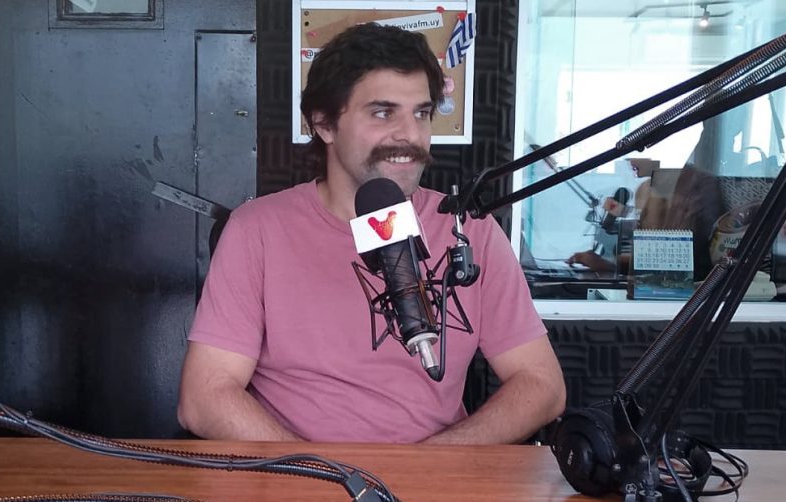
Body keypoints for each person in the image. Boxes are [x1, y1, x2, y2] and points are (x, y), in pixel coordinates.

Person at [177, 22, 565, 444]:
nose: (410, 134)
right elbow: (204, 398)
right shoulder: (257, 230)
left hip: (432, 476)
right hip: (300, 475)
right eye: (383, 113)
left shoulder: (469, 231)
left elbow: (541, 385)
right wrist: (324, 473)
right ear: (323, 124)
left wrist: (431, 463)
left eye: (421, 113)